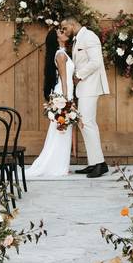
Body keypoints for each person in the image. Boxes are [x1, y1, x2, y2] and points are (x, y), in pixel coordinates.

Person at [61, 16, 110, 178]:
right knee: (84, 124)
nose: (63, 31)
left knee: (87, 123)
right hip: (84, 88)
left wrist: (78, 76)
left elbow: (96, 62)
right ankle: (96, 163)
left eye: (65, 28)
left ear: (73, 24)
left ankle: (99, 164)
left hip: (90, 86)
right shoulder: (78, 39)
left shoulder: (89, 37)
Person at [26, 27, 74, 177]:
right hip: (63, 93)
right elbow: (64, 79)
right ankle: (56, 165)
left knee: (61, 129)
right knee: (61, 128)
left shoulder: (63, 52)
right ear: (57, 38)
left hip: (65, 92)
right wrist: (66, 100)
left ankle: (59, 164)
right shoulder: (60, 54)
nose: (64, 33)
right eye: (60, 32)